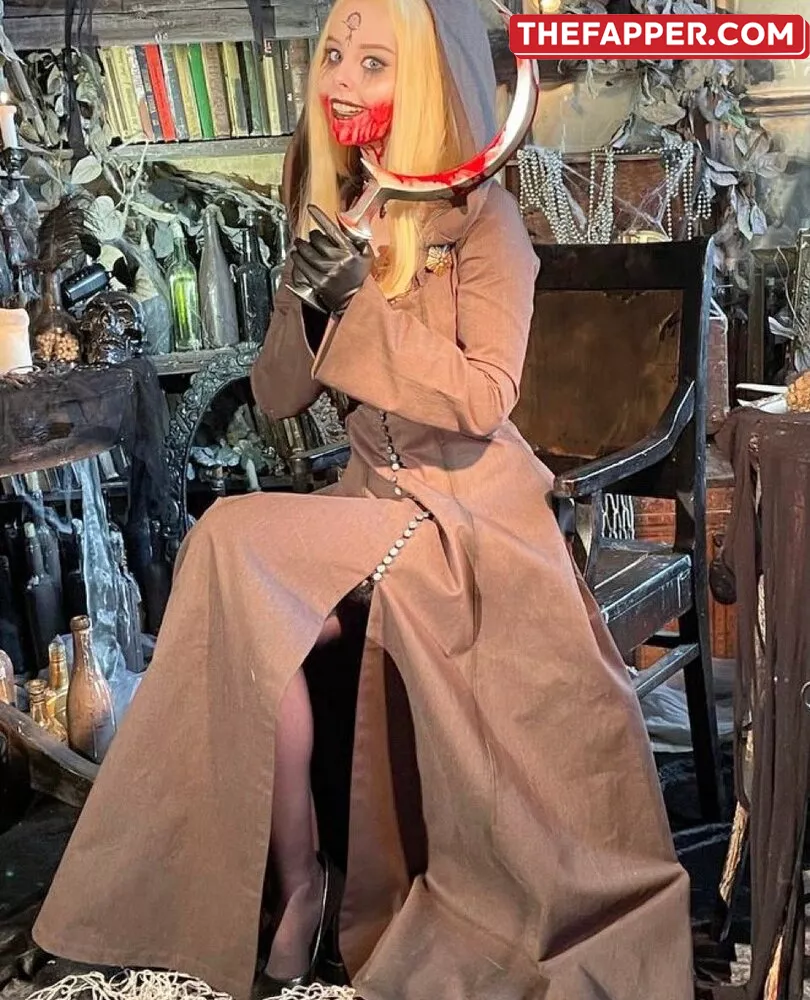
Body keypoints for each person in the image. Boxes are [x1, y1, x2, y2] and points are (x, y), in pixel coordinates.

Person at [32, 1, 695, 998]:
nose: (341, 77)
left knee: (229, 539)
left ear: (425, 80)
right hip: (368, 502)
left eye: (374, 61)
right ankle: (295, 883)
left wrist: (359, 302)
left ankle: (310, 890)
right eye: (335, 53)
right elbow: (277, 397)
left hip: (466, 515)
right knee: (243, 589)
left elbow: (483, 398)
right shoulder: (339, 213)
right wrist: (303, 302)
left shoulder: (485, 222)